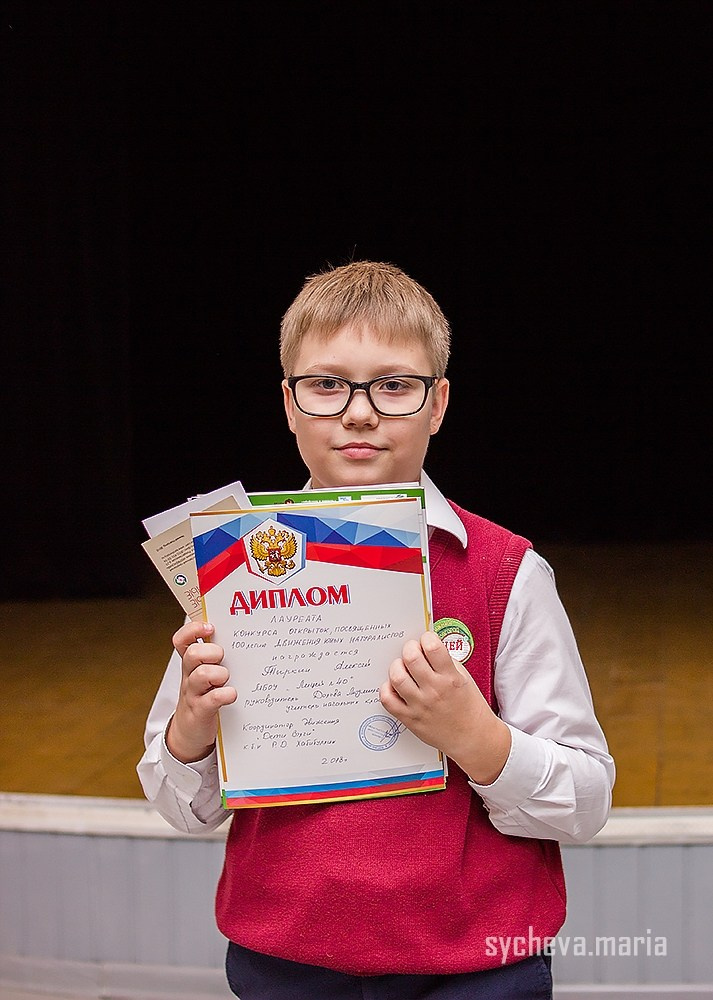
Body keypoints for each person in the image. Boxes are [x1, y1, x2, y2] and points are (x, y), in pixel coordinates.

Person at [138, 260, 615, 1000]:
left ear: (438, 403)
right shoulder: (230, 565)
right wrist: (191, 735)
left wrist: (475, 736)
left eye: (394, 386)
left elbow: (585, 802)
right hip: (284, 962)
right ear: (289, 404)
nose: (358, 413)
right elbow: (184, 807)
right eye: (327, 385)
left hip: (479, 969)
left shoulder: (506, 572)